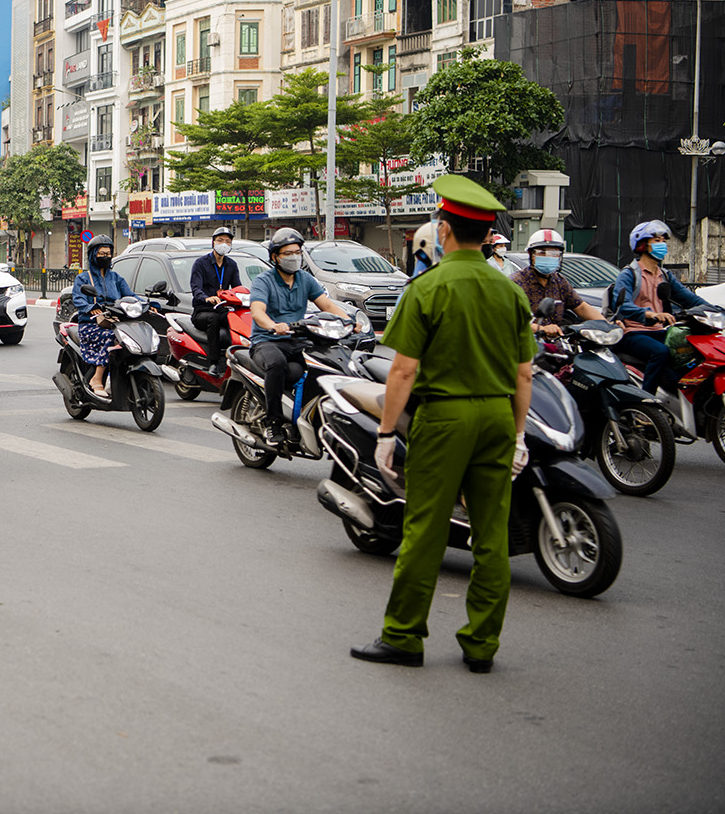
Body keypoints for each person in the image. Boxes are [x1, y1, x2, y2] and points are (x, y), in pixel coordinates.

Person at [350, 175, 535, 675]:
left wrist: (386, 435)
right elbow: (524, 374)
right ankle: (481, 646)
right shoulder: (510, 291)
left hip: (445, 419)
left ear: (446, 230)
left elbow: (403, 370)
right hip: (498, 418)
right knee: (493, 534)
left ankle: (404, 637)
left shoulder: (428, 287)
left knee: (426, 529)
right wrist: (518, 436)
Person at [249, 227, 351, 446]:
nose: (293, 257)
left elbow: (327, 305)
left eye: (297, 252)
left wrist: (350, 321)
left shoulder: (305, 279)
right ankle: (273, 423)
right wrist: (273, 325)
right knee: (276, 364)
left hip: (296, 340)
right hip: (267, 341)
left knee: (326, 362)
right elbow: (257, 312)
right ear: (275, 257)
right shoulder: (263, 280)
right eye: (287, 253)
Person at [611, 219, 706, 394]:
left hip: (659, 332)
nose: (662, 244)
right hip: (633, 332)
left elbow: (690, 299)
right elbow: (622, 306)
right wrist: (652, 315)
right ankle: (646, 401)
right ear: (642, 245)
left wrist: (720, 312)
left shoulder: (665, 276)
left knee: (689, 350)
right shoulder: (629, 274)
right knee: (661, 352)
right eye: (657, 241)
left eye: (664, 241)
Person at [69, 235, 133, 399]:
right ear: (92, 255)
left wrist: (148, 303)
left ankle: (118, 376)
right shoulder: (83, 278)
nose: (105, 257)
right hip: (91, 325)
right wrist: (91, 308)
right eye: (101, 254)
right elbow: (78, 298)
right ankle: (97, 379)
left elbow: (130, 295)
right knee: (111, 337)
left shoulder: (116, 278)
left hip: (116, 322)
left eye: (108, 253)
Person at [511, 229, 604, 338]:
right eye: (541, 253)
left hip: (558, 342)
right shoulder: (516, 282)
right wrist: (541, 328)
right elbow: (510, 320)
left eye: (554, 253)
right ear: (531, 254)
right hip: (527, 344)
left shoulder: (560, 281)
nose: (548, 257)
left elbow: (581, 307)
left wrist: (606, 324)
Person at [190, 225, 242, 374]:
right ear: (213, 243)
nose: (224, 244)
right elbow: (196, 288)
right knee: (214, 319)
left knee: (236, 319)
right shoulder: (200, 263)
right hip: (203, 311)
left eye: (227, 241)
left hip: (222, 309)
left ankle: (238, 358)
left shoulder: (231, 265)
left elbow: (237, 288)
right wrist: (207, 298)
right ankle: (213, 362)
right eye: (220, 240)